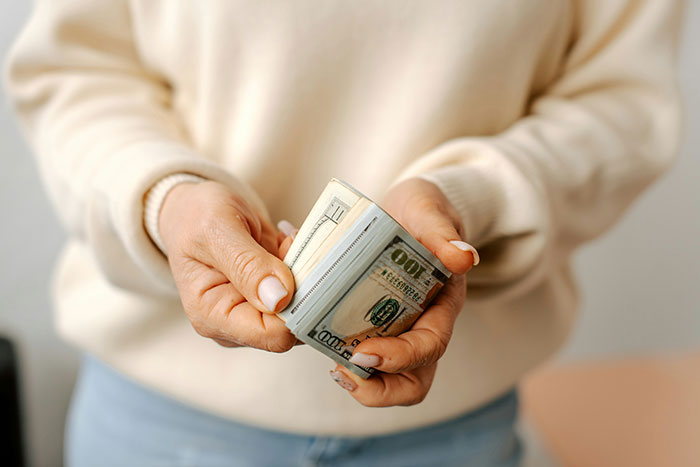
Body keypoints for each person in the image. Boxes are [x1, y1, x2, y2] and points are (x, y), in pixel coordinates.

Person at [5, 1, 683, 465]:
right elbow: (76, 72)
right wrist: (165, 201)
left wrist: (474, 198)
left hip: (455, 428)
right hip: (160, 424)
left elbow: (622, 101)